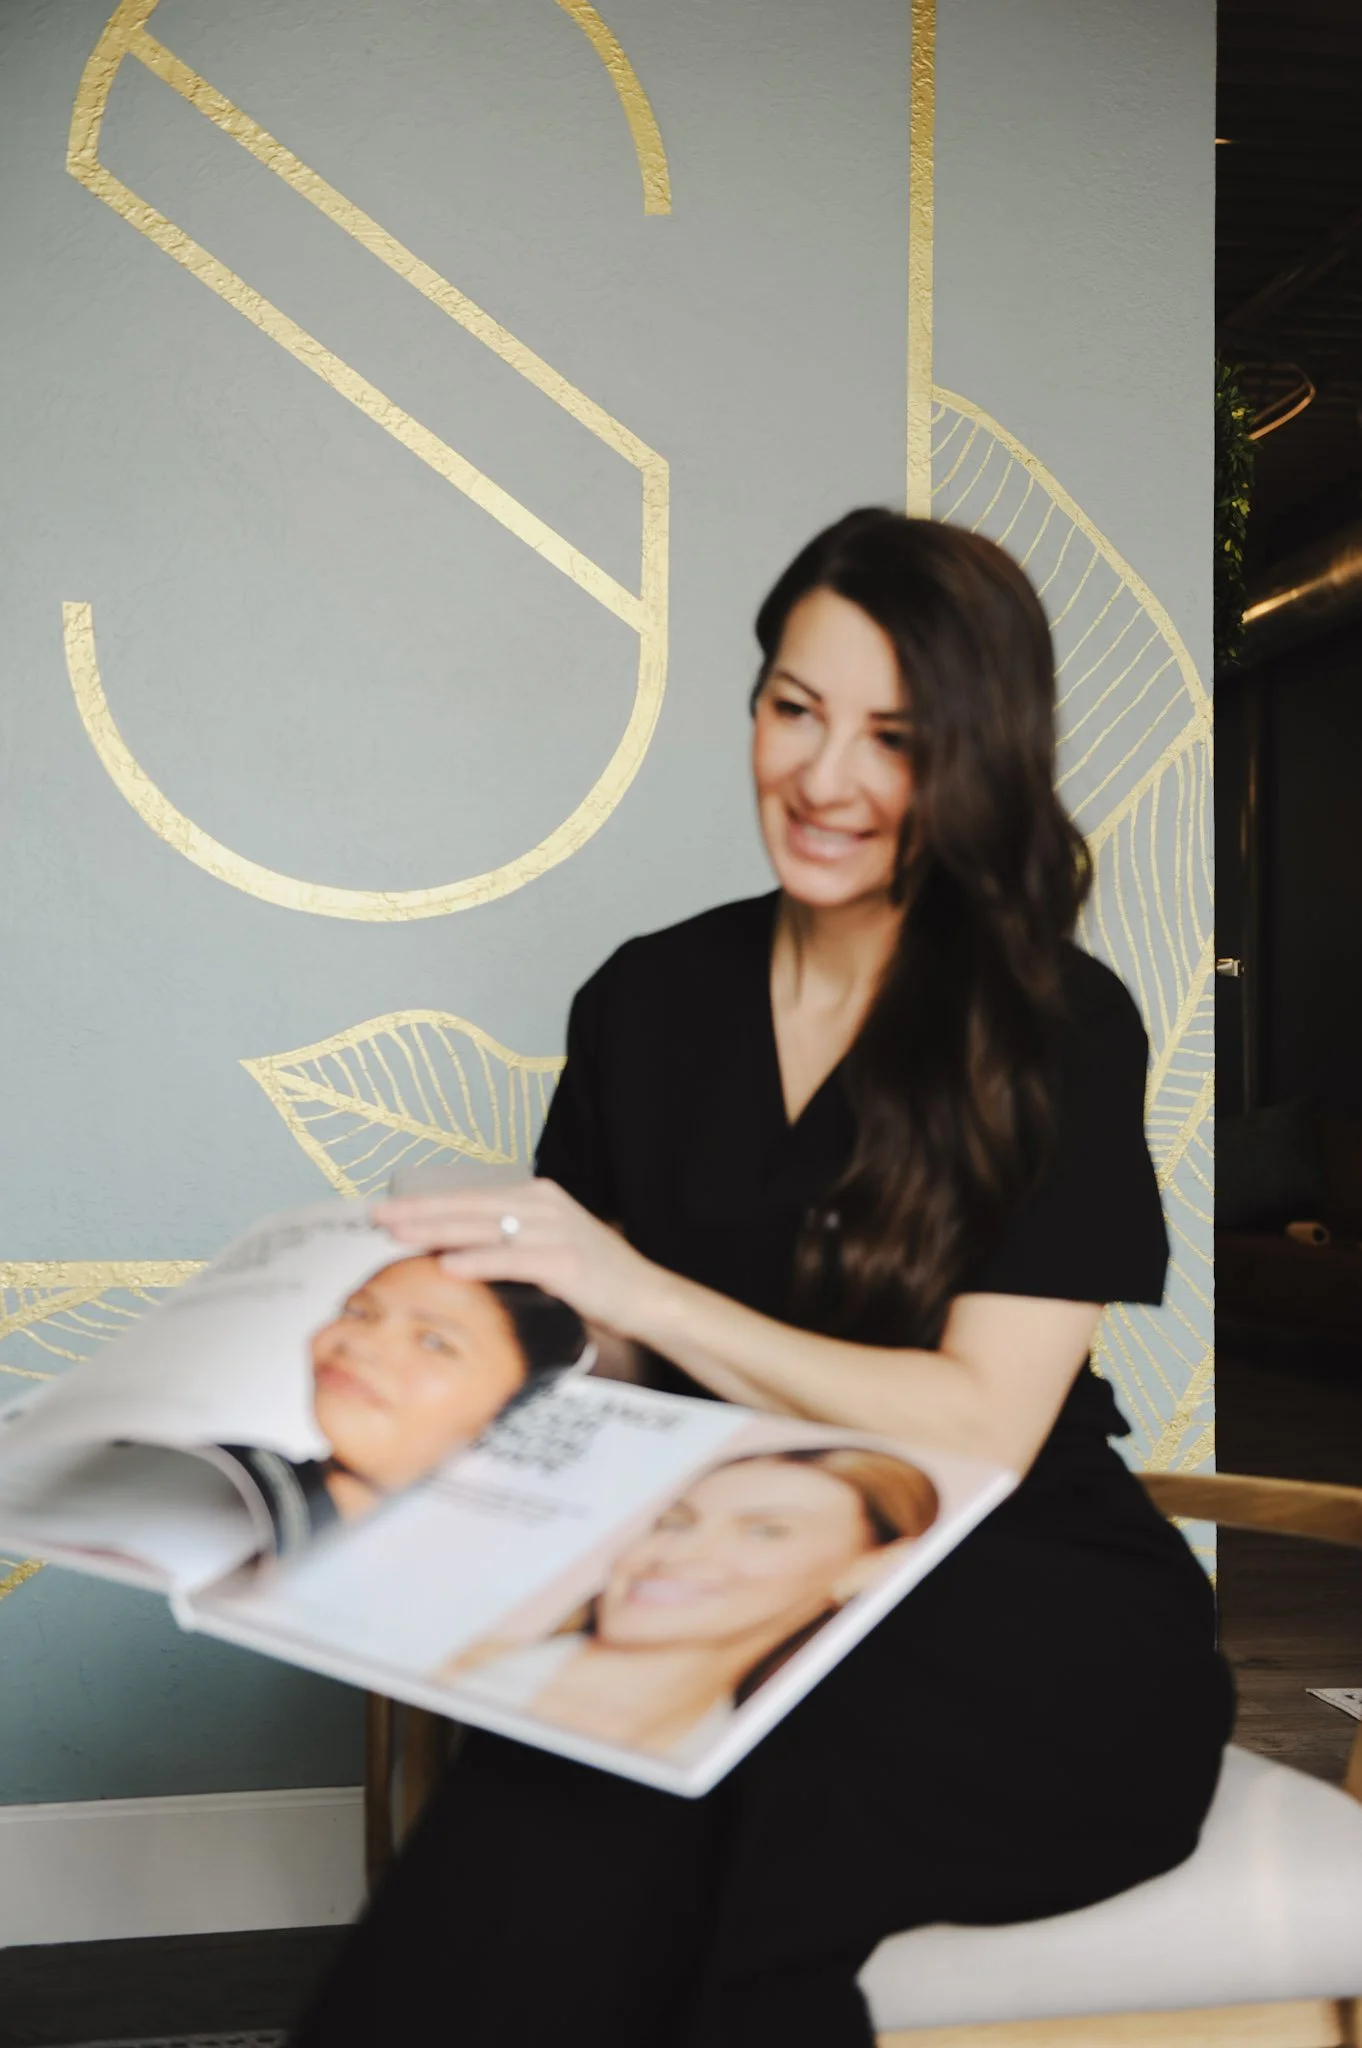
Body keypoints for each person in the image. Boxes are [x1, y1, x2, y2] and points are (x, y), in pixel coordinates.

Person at [294, 511, 1233, 2048]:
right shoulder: (647, 997)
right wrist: (474, 1307)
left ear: (976, 756)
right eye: (793, 709)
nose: (824, 778)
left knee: (724, 1800)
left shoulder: (1053, 1022)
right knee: (562, 1779)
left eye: (893, 736)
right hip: (724, 1555)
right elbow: (595, 1352)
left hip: (1019, 1613)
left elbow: (982, 1429)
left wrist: (647, 1295)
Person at [441, 1446, 938, 1761]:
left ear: (871, 1567)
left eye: (765, 1531)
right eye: (676, 1521)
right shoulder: (453, 1667)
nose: (678, 1555)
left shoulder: (761, 1763)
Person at [224, 1258, 587, 1552]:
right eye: (360, 1312)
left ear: (525, 1406)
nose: (359, 1344)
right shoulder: (224, 1482)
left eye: (433, 1342)